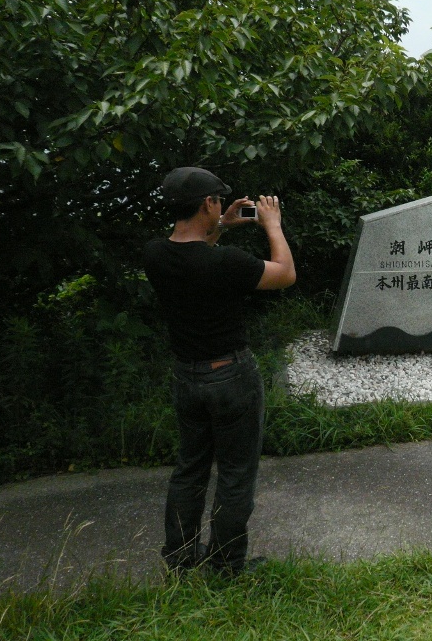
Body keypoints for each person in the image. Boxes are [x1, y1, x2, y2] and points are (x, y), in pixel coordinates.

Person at [142, 166, 296, 575]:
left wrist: (221, 226)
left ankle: (180, 559)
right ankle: (227, 565)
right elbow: (285, 274)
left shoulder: (155, 254)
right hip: (232, 377)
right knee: (234, 474)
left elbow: (193, 251)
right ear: (208, 203)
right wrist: (272, 225)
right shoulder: (227, 262)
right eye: (217, 201)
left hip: (186, 378)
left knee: (189, 469)